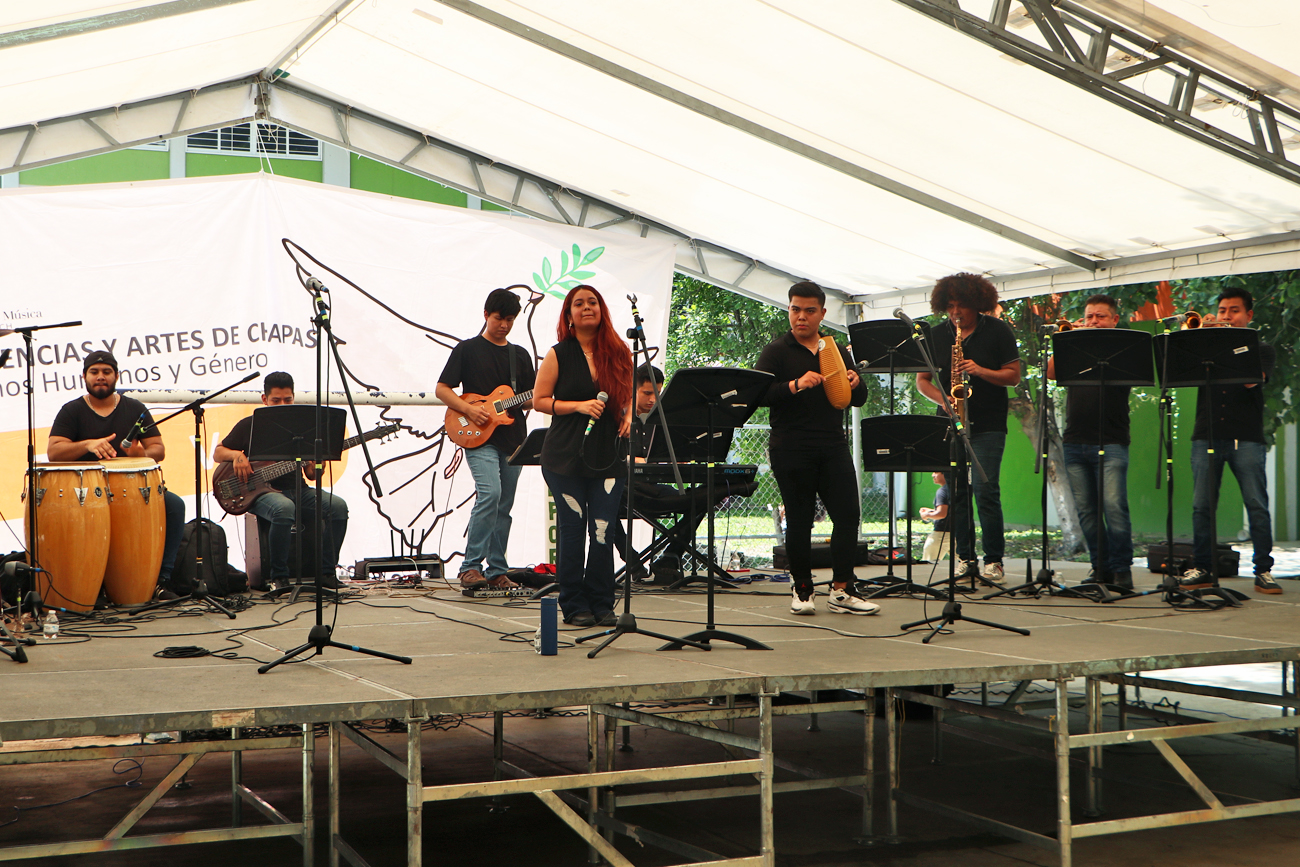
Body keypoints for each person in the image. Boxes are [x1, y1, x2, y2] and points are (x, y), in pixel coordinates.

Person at [756, 281, 878, 615]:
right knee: (799, 521)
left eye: (809, 311)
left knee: (848, 516)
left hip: (833, 445)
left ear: (823, 313)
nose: (801, 317)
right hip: (791, 447)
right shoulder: (776, 351)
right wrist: (795, 385)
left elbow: (860, 399)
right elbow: (758, 394)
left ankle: (842, 590)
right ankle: (803, 589)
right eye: (795, 309)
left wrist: (857, 382)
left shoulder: (834, 349)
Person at [47, 350, 185, 600]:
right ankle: (91, 586)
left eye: (106, 372)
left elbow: (159, 449)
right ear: (84, 377)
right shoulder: (72, 410)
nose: (101, 377)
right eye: (95, 372)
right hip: (86, 492)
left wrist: (138, 452)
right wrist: (87, 445)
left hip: (131, 488)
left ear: (116, 376)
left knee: (174, 505)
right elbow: (54, 452)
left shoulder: (135, 408)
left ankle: (159, 580)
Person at [534, 285, 633, 628]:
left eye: (592, 302)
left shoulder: (619, 352)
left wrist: (629, 413)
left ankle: (602, 602)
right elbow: (540, 400)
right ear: (569, 315)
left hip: (608, 456)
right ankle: (574, 603)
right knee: (573, 531)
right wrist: (577, 405)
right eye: (579, 303)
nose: (587, 307)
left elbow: (629, 392)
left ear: (602, 310)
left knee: (603, 530)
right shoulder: (558, 354)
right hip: (564, 458)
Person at [915, 272, 1021, 584]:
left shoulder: (998, 331)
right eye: (950, 306)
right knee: (956, 494)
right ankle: (965, 558)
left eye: (962, 305)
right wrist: (944, 400)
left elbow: (1013, 376)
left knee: (987, 492)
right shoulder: (936, 335)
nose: (956, 312)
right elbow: (923, 382)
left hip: (988, 422)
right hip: (950, 422)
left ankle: (994, 561)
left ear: (978, 304)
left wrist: (980, 370)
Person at [1180, 288, 1281, 595]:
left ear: (1248, 315)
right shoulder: (1205, 350)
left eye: (1233, 311)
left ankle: (1263, 570)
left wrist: (1225, 345)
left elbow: (1252, 378)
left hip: (1246, 438)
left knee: (1256, 505)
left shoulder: (1262, 349)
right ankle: (1204, 567)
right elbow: (1181, 366)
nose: (1226, 316)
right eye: (1222, 310)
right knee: (1201, 506)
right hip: (1206, 435)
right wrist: (1202, 339)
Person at [436, 287, 536, 591]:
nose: (503, 324)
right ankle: (470, 567)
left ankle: (496, 570)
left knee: (504, 504)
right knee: (490, 494)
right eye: (498, 318)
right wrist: (469, 410)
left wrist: (534, 398)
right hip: (478, 436)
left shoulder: (519, 354)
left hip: (514, 437)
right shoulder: (467, 349)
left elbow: (532, 398)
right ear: (485, 315)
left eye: (509, 319)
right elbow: (443, 389)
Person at [213, 371, 348, 590]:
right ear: (264, 399)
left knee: (337, 506)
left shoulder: (304, 430)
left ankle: (325, 572)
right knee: (284, 508)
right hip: (261, 493)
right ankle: (279, 577)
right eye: (276, 400)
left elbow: (312, 475)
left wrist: (317, 465)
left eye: (288, 399)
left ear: (294, 398)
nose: (283, 404)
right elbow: (218, 453)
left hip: (299, 490)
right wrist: (237, 456)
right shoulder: (251, 424)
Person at [1045, 295, 1135, 589]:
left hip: (1112, 440)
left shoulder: (1123, 349)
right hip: (1075, 440)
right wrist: (1064, 342)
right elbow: (1051, 373)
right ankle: (1100, 567)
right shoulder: (1074, 349)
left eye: (1100, 316)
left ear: (1113, 320)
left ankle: (1122, 569)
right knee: (1087, 511)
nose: (1093, 322)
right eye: (1089, 317)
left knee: (1114, 506)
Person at [609, 364, 707, 584]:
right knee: (604, 498)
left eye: (658, 393)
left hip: (656, 489)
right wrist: (629, 460)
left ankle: (671, 555)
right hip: (625, 490)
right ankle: (632, 561)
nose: (653, 399)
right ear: (630, 390)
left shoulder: (663, 420)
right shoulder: (615, 418)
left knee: (706, 494)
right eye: (647, 393)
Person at [919, 471, 950, 564]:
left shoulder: (942, 491)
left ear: (945, 473)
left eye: (936, 472)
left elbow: (941, 514)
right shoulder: (957, 489)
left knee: (929, 563)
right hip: (959, 532)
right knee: (963, 562)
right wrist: (931, 511)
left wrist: (926, 515)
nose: (933, 475)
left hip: (941, 534)